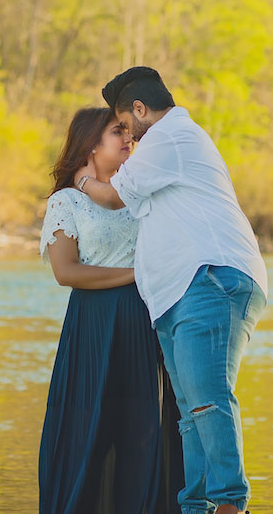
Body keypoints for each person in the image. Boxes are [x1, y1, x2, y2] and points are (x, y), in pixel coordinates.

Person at [74, 67, 267, 514]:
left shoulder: (169, 136)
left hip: (210, 278)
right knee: (190, 414)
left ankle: (229, 505)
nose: (126, 135)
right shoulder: (162, 151)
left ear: (140, 110)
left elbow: (113, 196)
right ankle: (195, 506)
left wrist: (81, 179)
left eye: (124, 124)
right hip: (177, 294)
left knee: (207, 399)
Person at [39, 107, 183, 514]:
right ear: (90, 144)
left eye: (127, 130)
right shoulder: (66, 202)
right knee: (88, 430)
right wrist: (137, 274)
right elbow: (66, 272)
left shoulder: (140, 192)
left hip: (146, 324)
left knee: (146, 431)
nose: (127, 137)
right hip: (93, 327)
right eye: (117, 131)